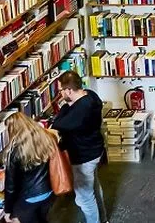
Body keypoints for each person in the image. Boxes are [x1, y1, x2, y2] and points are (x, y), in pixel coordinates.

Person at [51, 72, 107, 223]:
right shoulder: (90, 95)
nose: (60, 94)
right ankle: (102, 219)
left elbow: (58, 124)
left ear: (69, 90)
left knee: (84, 197)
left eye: (61, 91)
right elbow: (66, 114)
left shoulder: (81, 110)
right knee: (94, 188)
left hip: (84, 156)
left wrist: (65, 107)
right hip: (95, 150)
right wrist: (68, 105)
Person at [3, 113, 57, 223]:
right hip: (48, 192)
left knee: (16, 219)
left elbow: (10, 186)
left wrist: (8, 210)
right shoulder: (45, 138)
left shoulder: (15, 151)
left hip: (29, 198)